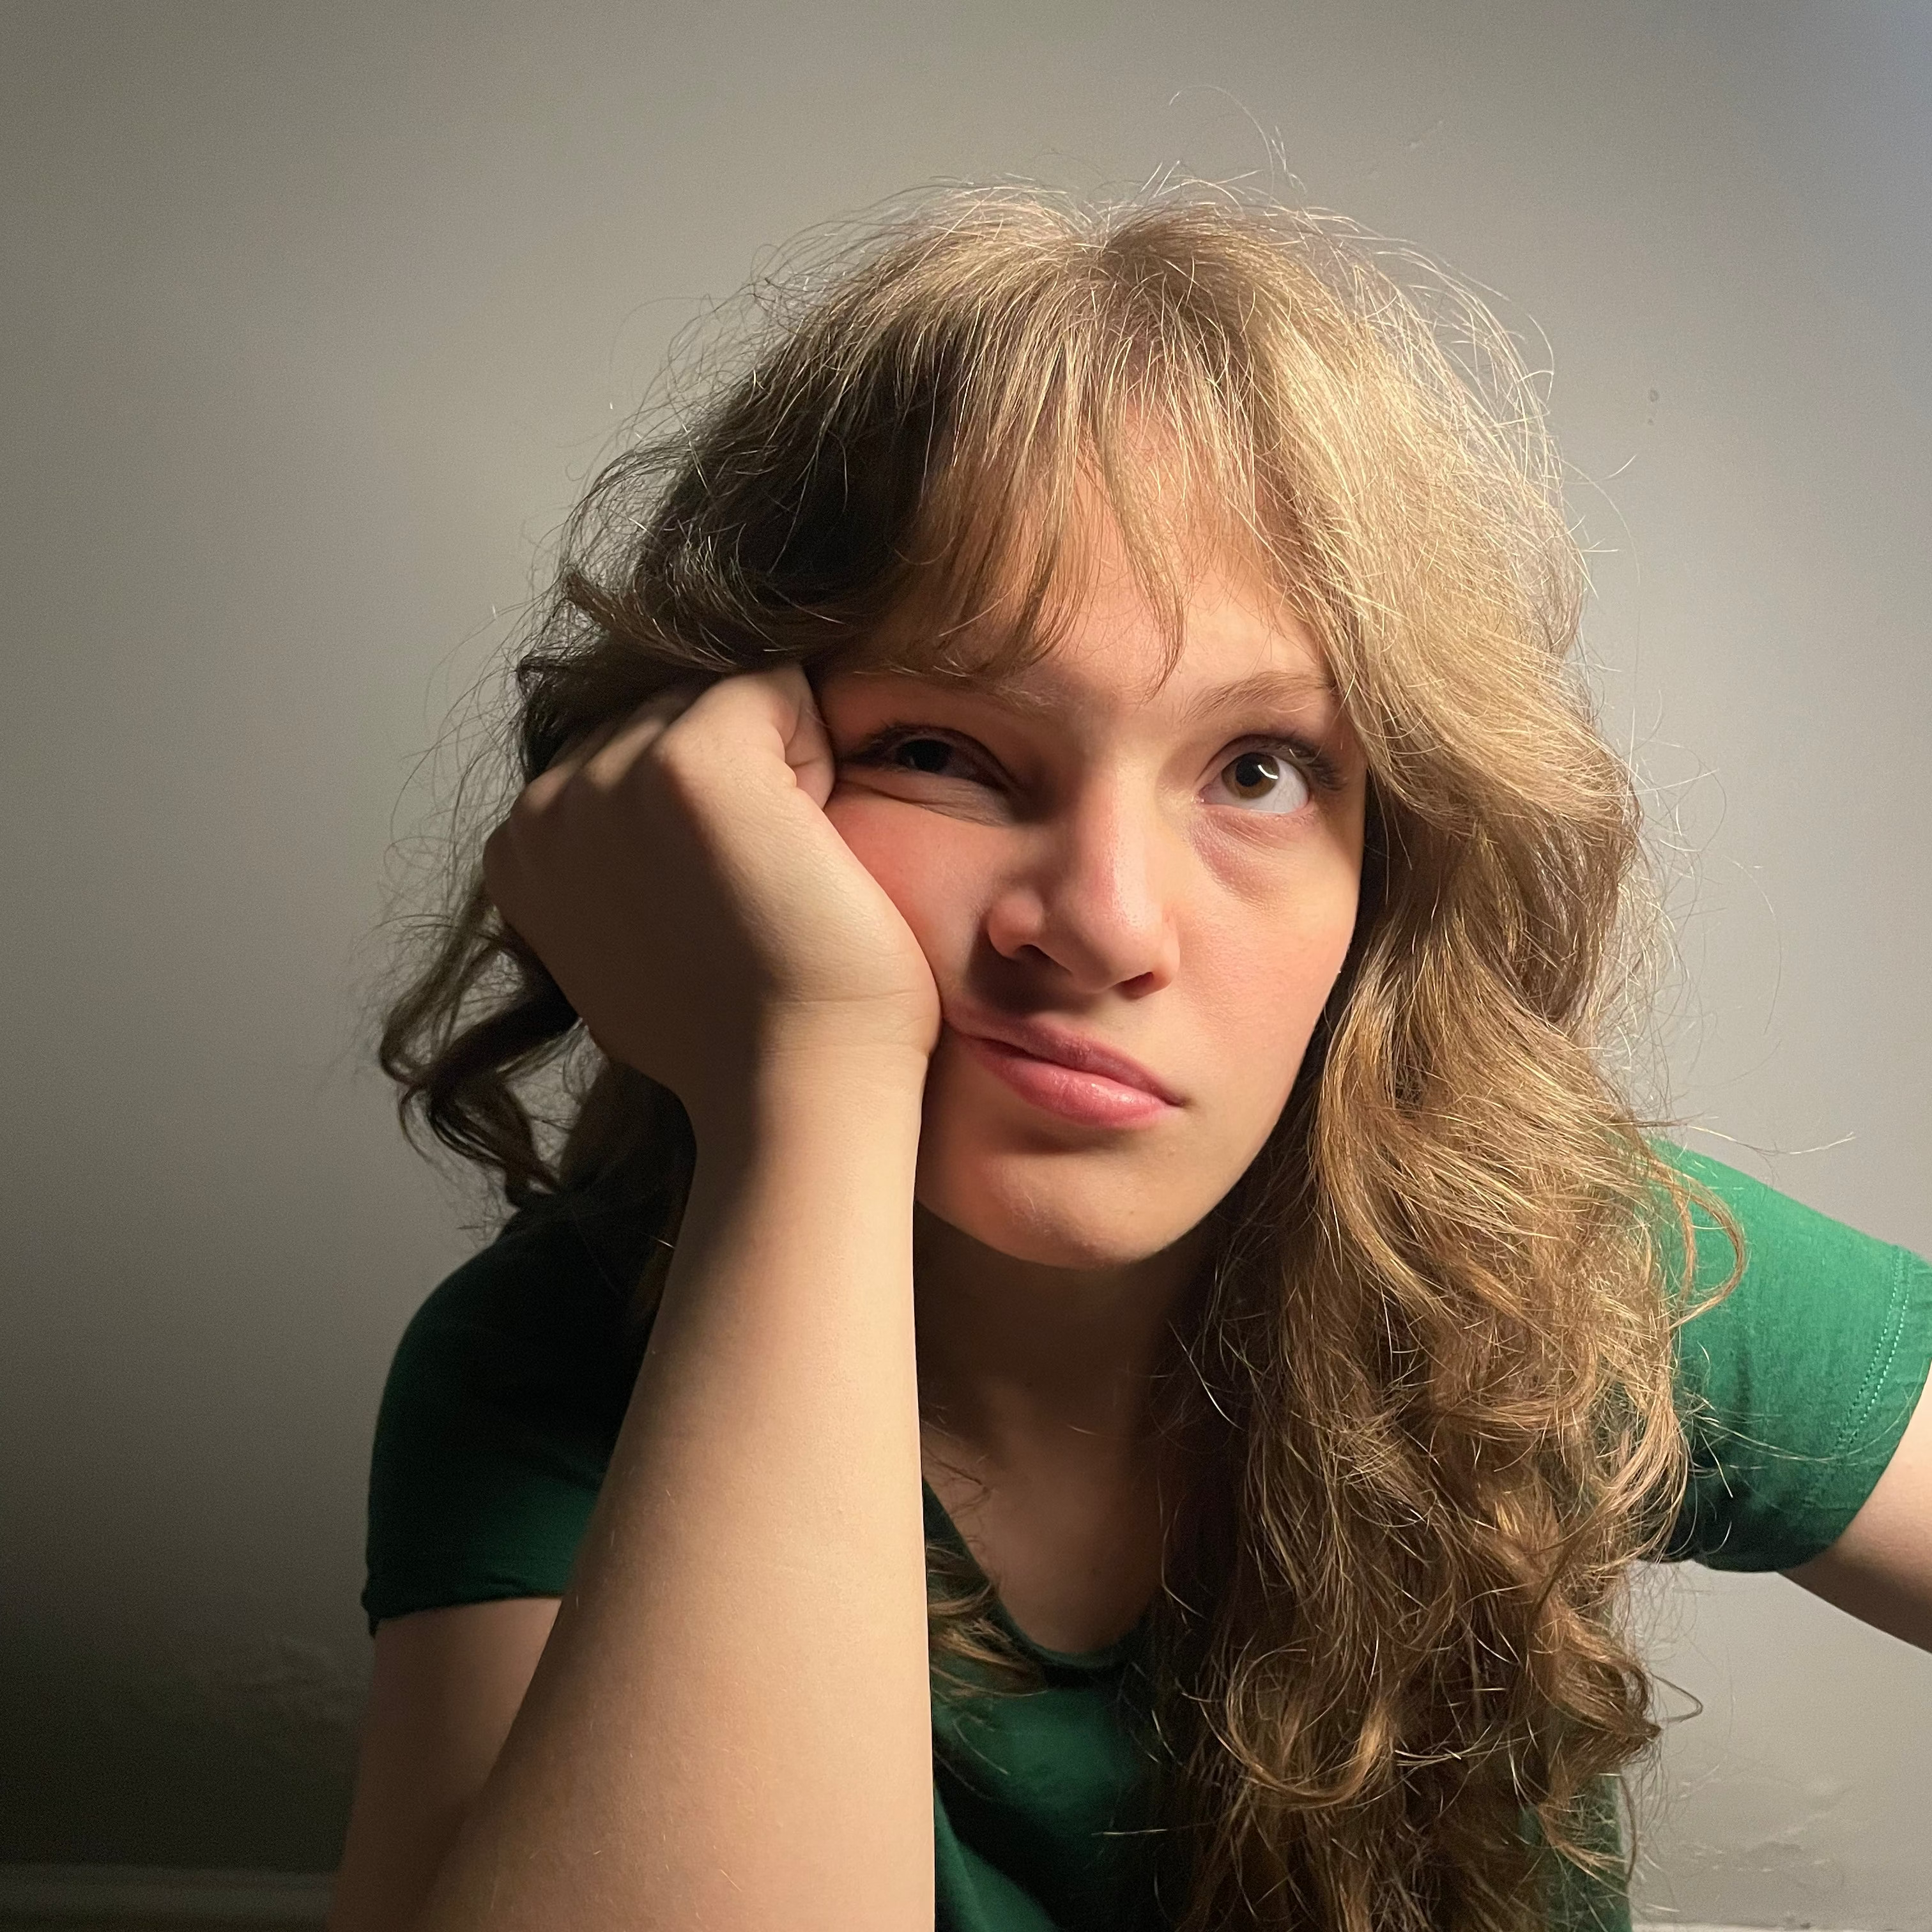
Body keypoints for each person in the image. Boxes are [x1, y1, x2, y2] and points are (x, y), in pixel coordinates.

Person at [329, 188, 1932, 1932]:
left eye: (1258, 769)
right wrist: (809, 1087)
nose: (1100, 922)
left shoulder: (1559, 1264)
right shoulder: (547, 1369)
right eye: (944, 749)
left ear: (1386, 863)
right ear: (723, 805)